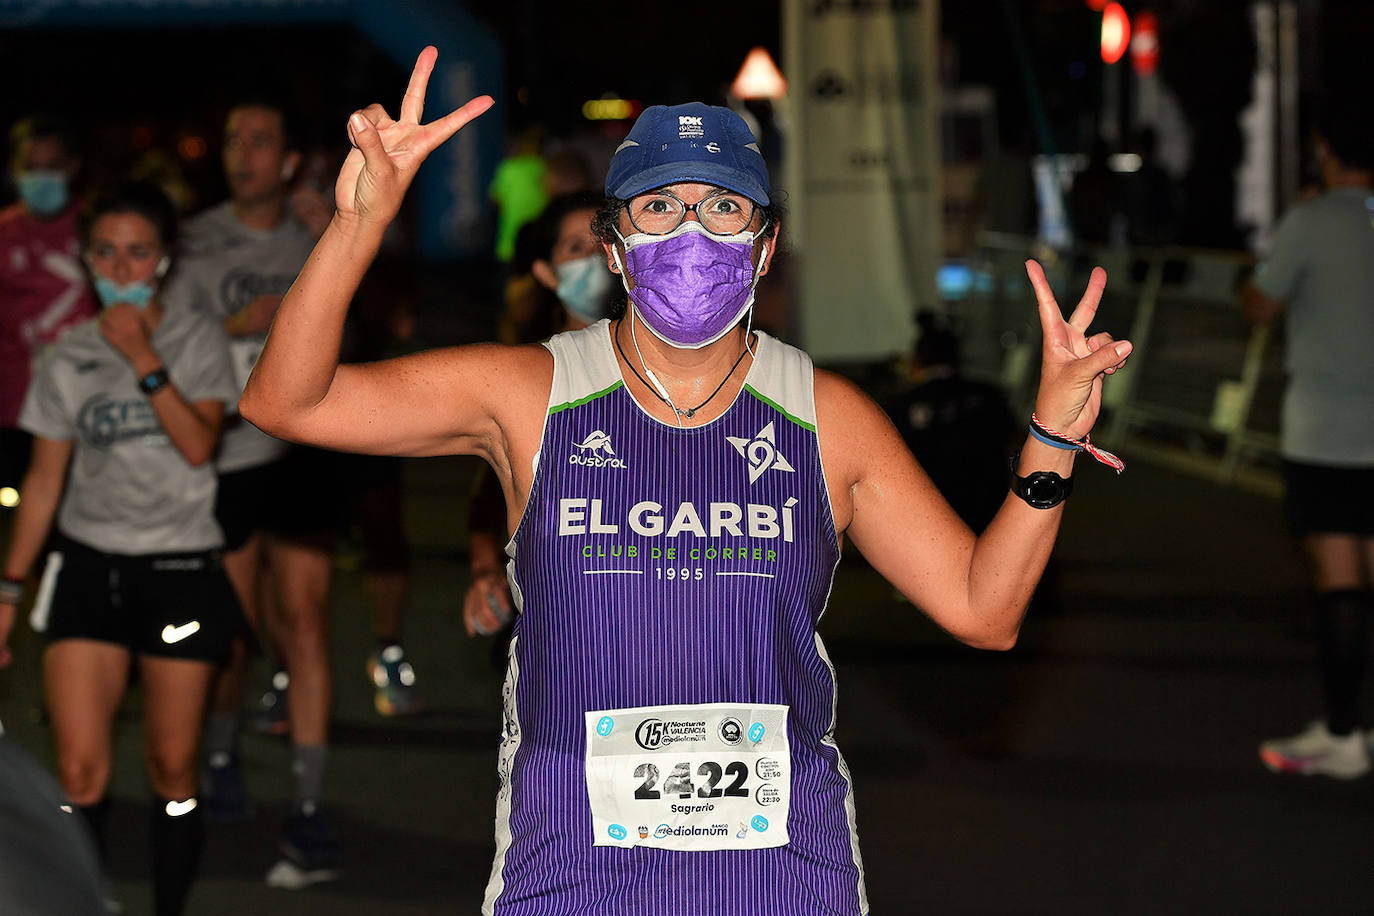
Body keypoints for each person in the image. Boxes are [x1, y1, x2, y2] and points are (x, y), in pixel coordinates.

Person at [239, 47, 1132, 914]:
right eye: (659, 206)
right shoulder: (527, 393)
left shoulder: (826, 417)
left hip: (783, 878)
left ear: (767, 243)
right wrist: (358, 223)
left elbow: (985, 609)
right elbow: (289, 403)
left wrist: (1050, 439)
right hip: (569, 874)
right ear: (615, 243)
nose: (693, 232)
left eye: (724, 207)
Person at [0, 181, 240, 916]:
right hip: (87, 571)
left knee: (172, 769)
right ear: (85, 257)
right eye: (106, 252)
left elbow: (199, 445)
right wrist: (7, 591)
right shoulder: (66, 356)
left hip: (179, 570)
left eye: (139, 253)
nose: (123, 268)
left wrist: (143, 357)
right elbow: (43, 485)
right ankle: (86, 901)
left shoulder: (199, 340)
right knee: (77, 772)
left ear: (164, 260)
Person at [167, 97, 358, 881]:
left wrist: (332, 239)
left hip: (306, 453)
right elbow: (169, 344)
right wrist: (241, 324)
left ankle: (308, 810)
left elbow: (363, 326)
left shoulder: (318, 233)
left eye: (261, 140)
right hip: (227, 455)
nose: (244, 152)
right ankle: (220, 753)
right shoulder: (193, 242)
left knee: (304, 624)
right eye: (233, 139)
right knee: (234, 633)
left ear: (287, 161)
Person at [1245, 107, 1374, 780]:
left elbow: (1259, 304)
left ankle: (1346, 734)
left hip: (1326, 430)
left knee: (1341, 577)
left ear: (1325, 150)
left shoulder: (1312, 221)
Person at [464, 191, 614, 643]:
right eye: (574, 248)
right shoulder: (531, 373)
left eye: (604, 242)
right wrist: (486, 572)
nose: (594, 259)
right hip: (555, 620)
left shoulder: (674, 365)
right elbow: (490, 493)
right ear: (547, 273)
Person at [1, 116, 99, 498]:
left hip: (87, 400)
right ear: (14, 170)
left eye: (52, 167)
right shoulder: (4, 233)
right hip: (15, 410)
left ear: (73, 167)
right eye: (31, 168)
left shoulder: (98, 227)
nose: (41, 178)